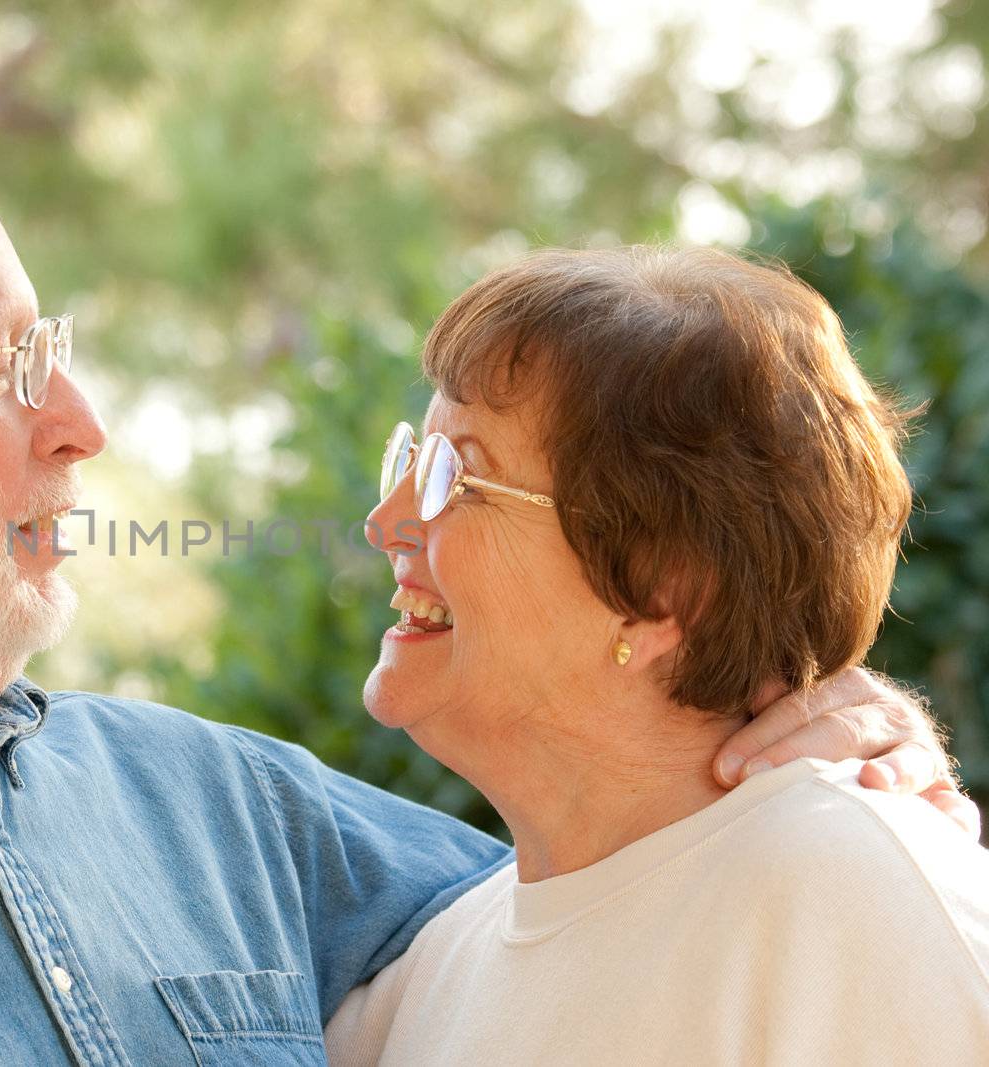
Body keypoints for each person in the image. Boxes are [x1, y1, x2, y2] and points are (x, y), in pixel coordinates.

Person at [0, 132, 964, 1065]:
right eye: (8, 363)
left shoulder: (224, 804)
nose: (80, 421)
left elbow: (616, 896)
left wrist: (818, 708)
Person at [325, 246, 989, 1065]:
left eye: (454, 476)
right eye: (412, 461)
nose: (384, 522)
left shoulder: (863, 901)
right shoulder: (411, 986)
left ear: (664, 586)